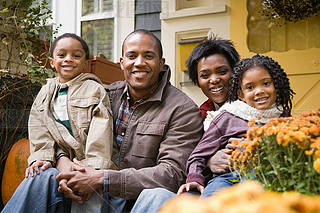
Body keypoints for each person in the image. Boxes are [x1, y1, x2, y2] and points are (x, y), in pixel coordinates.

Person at [1, 29, 203, 213]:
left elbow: (172, 174)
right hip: (87, 193)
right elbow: (61, 129)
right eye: (132, 56)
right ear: (122, 62)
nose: (139, 62)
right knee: (41, 177)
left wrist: (102, 179)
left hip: (136, 202)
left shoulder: (182, 110)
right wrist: (63, 161)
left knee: (159, 195)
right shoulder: (106, 95)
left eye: (148, 56)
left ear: (161, 63)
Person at [2, 33, 118, 213]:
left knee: (89, 197)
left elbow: (101, 129)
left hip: (86, 163)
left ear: (85, 63)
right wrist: (43, 157)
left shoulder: (94, 89)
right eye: (62, 55)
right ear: (52, 62)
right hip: (58, 161)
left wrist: (92, 167)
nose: (68, 60)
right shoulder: (45, 93)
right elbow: (39, 126)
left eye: (76, 55)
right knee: (38, 175)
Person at [130, 36, 240, 213]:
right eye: (205, 75)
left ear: (236, 72)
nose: (214, 80)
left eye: (222, 71)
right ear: (197, 81)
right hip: (206, 188)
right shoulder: (199, 115)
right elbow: (189, 160)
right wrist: (209, 161)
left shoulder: (257, 107)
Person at [178, 54, 295, 198]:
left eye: (265, 83)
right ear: (241, 94)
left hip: (267, 176)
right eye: (250, 87)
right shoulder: (229, 116)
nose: (259, 91)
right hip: (227, 177)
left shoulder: (283, 118)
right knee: (209, 203)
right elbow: (198, 155)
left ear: (276, 85)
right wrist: (195, 178)